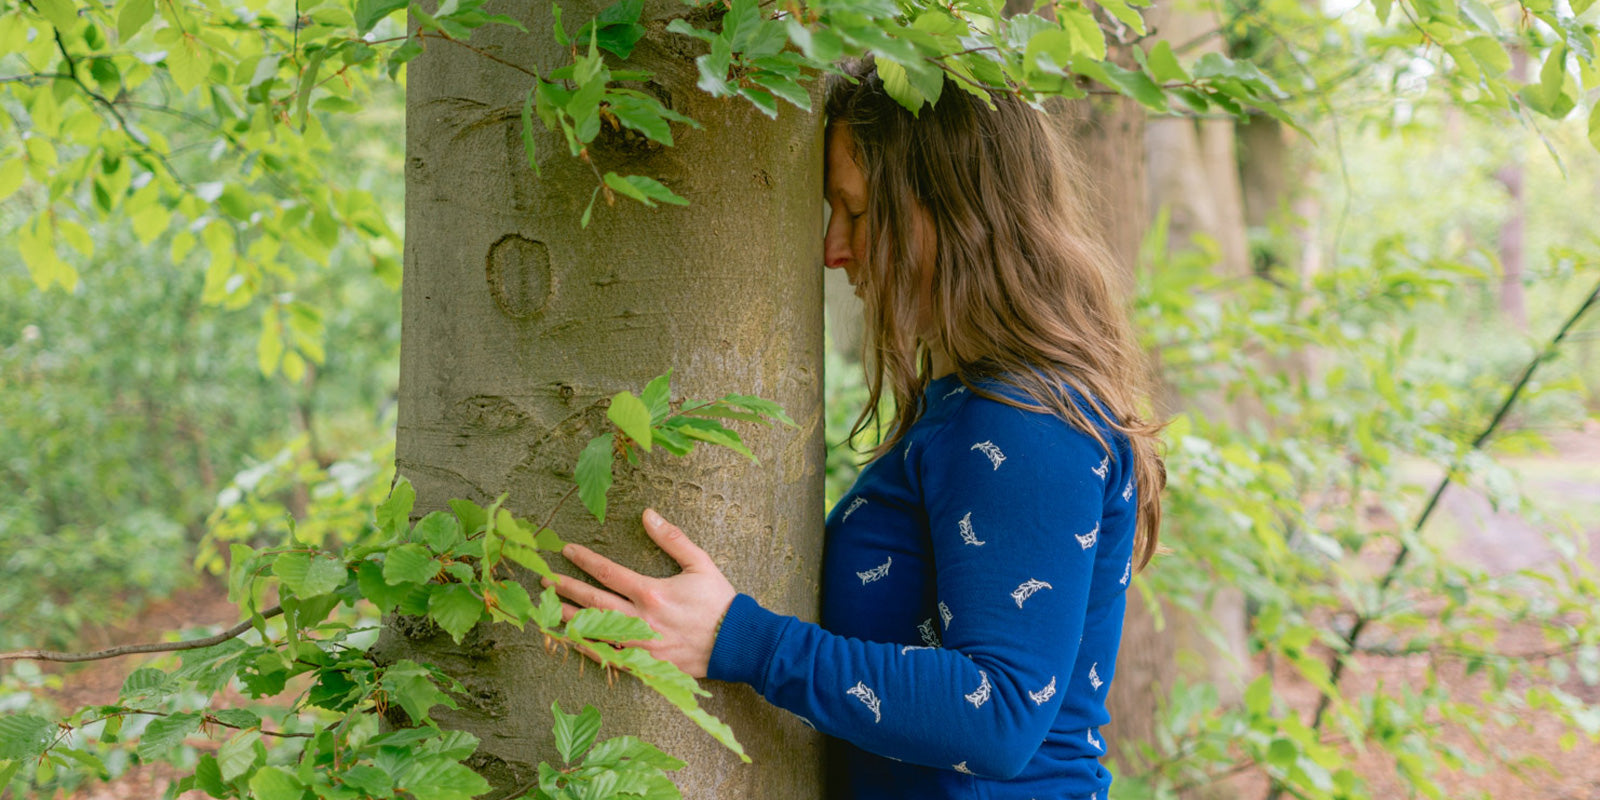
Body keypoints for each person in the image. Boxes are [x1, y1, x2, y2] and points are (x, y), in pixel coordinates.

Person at [545, 56, 1167, 800]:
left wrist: (741, 639)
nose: (834, 250)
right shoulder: (978, 406)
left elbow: (997, 717)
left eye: (859, 212)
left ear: (955, 208)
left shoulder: (1027, 420)